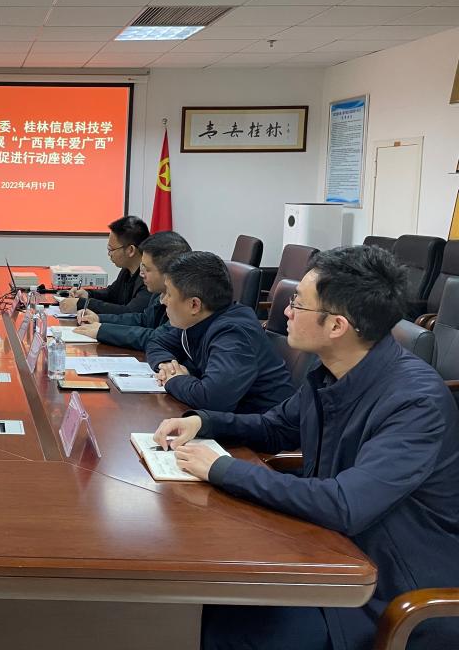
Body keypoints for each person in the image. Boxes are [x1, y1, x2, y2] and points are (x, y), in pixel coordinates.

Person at [153, 245, 459, 650]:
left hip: (385, 587)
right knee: (215, 598)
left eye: (298, 303)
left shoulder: (415, 401)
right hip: (330, 551)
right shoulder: (332, 370)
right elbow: (276, 426)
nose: (285, 312)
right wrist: (204, 422)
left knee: (236, 622)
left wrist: (223, 469)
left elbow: (345, 504)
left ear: (337, 326)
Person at [146, 251, 294, 414]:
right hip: (227, 420)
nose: (163, 300)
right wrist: (167, 365)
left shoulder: (234, 334)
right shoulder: (199, 320)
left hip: (258, 425)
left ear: (194, 305)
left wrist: (174, 380)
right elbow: (157, 342)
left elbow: (212, 400)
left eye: (168, 294)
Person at [74, 231, 191, 349]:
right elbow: (143, 320)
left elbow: (159, 338)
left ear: (168, 273)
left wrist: (103, 331)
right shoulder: (159, 293)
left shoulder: (184, 300)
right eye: (142, 267)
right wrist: (99, 319)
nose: (141, 274)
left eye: (147, 269)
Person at [59, 215, 150, 315]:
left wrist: (83, 304)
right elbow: (111, 294)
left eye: (111, 249)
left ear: (130, 250)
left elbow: (129, 313)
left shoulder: (149, 278)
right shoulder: (127, 270)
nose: (109, 254)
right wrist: (87, 294)